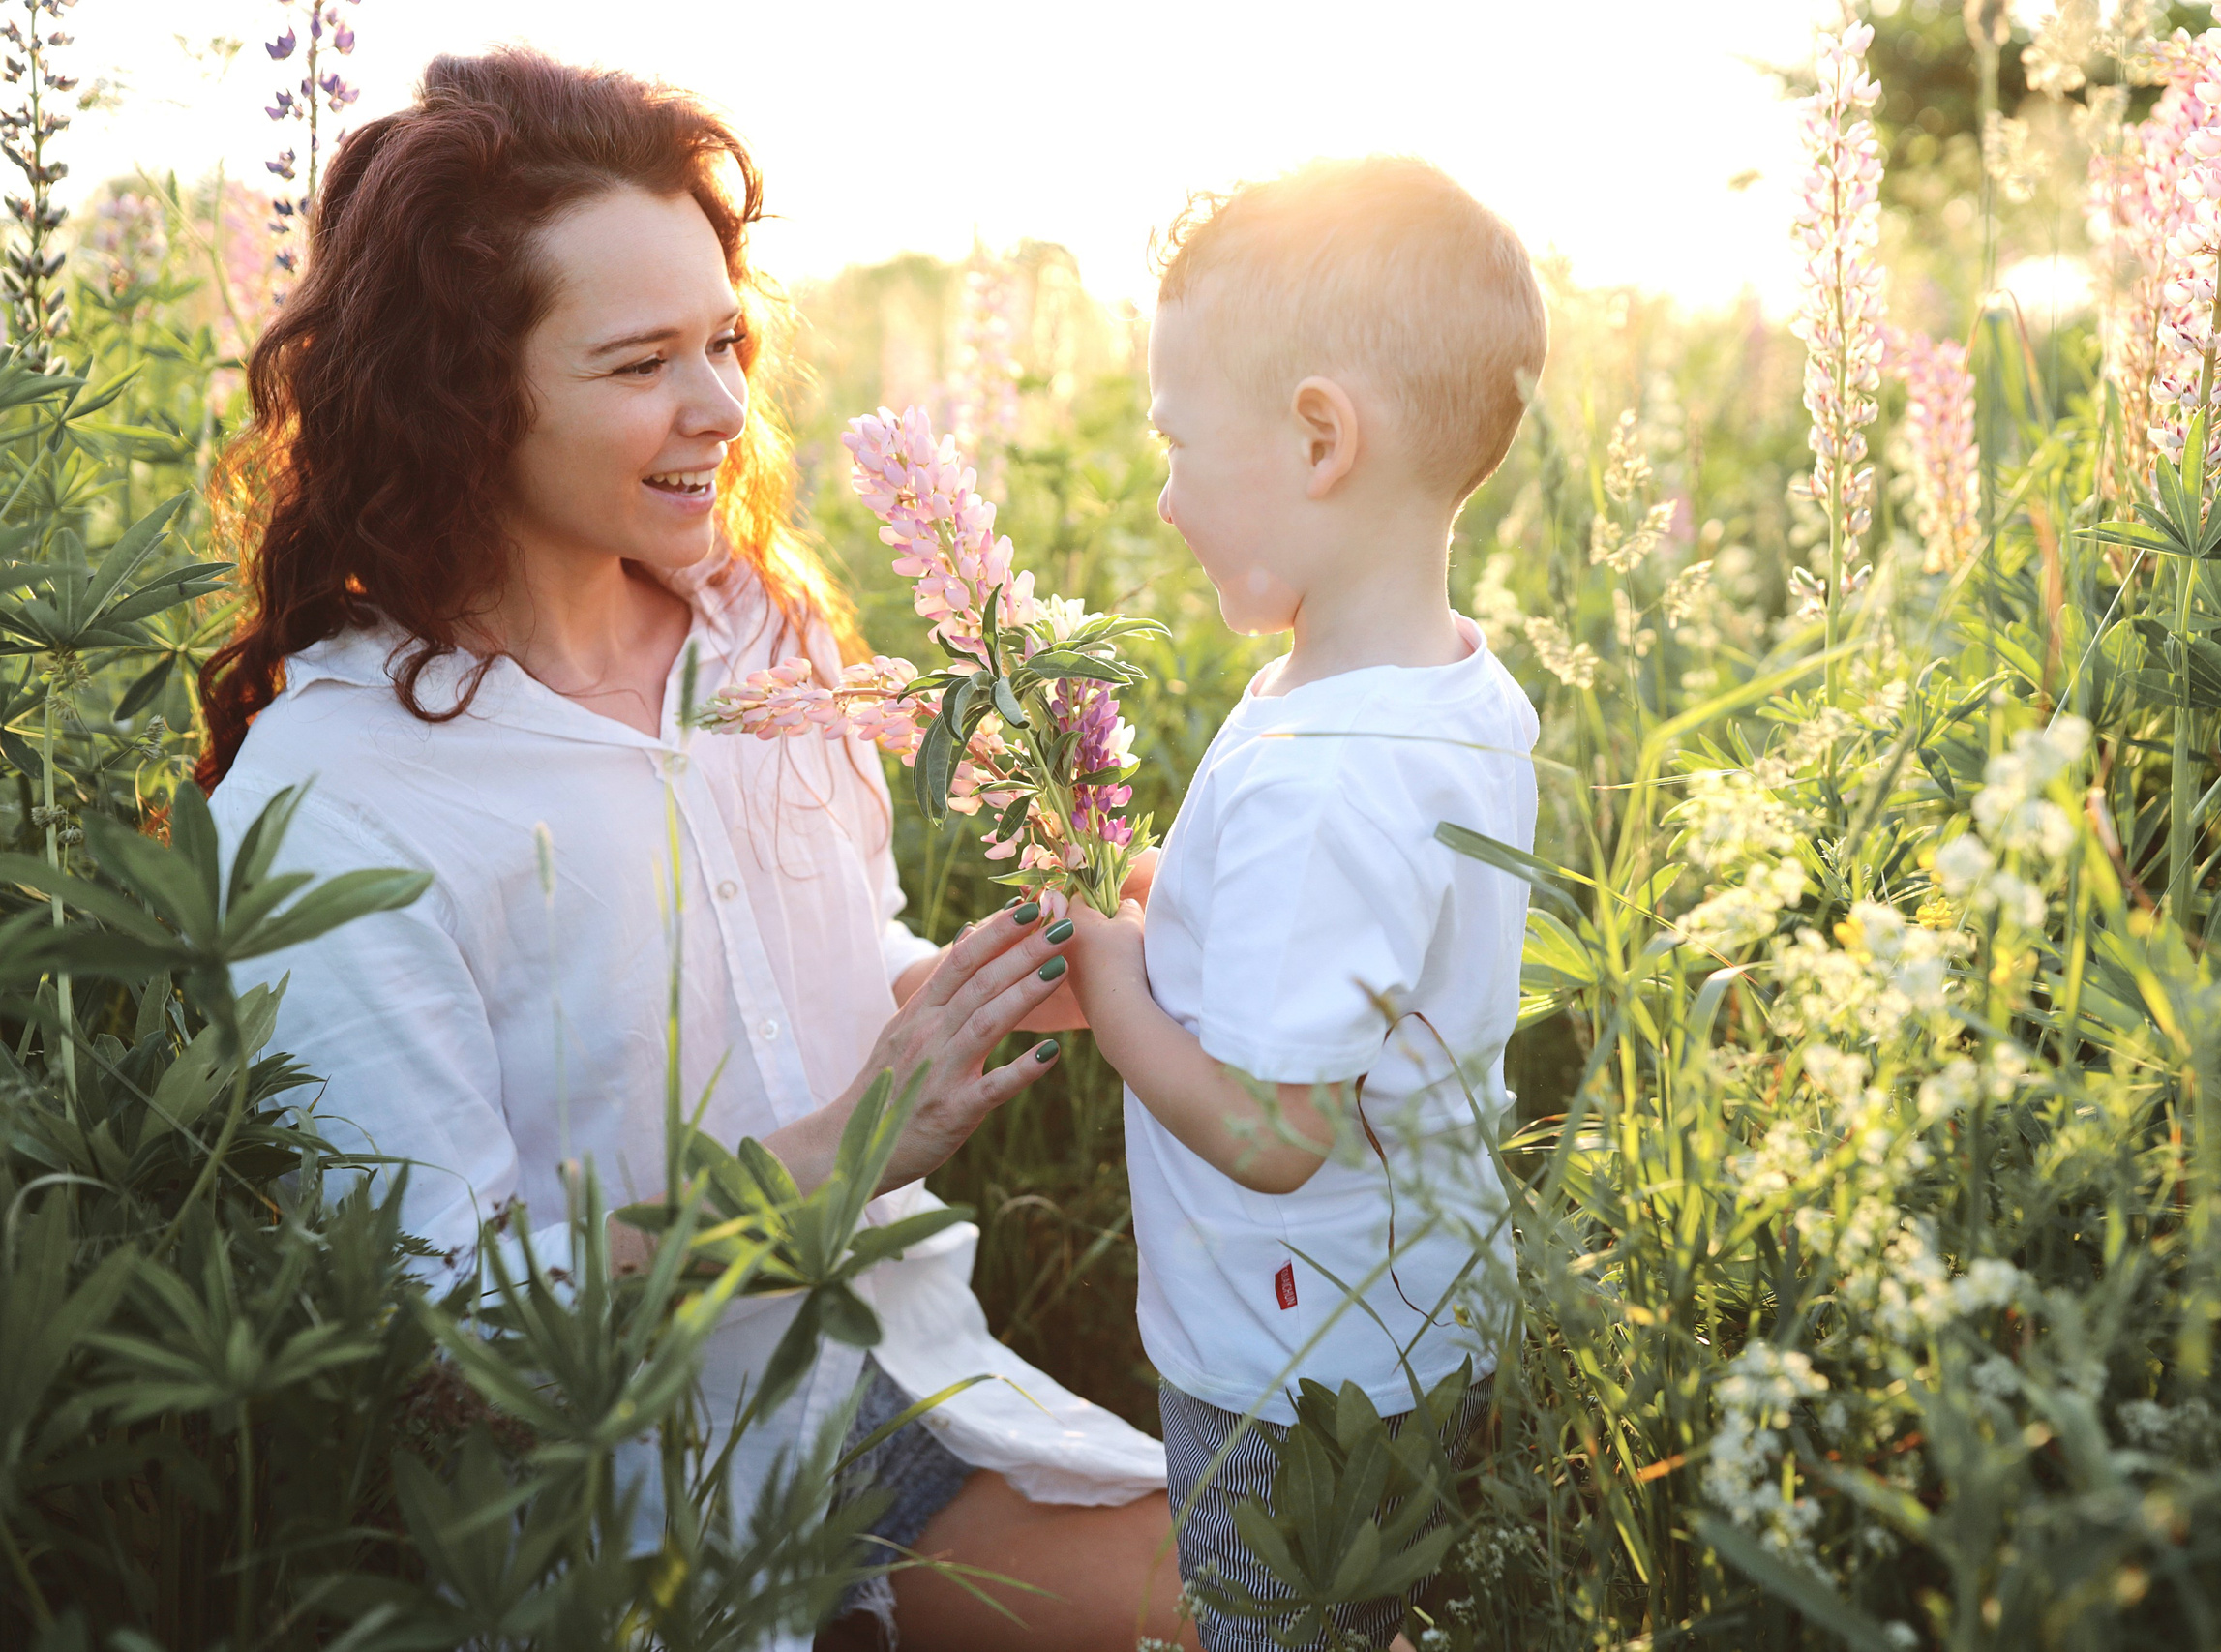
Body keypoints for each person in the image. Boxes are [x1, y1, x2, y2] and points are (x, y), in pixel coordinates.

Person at [198, 50, 1195, 1652]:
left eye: (726, 339)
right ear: (467, 393)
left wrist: (995, 982)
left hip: (899, 1387)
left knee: (1318, 1608)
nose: (723, 408)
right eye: (643, 361)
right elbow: (441, 1356)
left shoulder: (759, 632)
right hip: (642, 1526)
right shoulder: (340, 792)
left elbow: (824, 965)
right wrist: (827, 1159)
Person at [1063, 158, 1547, 1651]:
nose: (1165, 491)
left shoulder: (1319, 773)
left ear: (1318, 436)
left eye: (1180, 442)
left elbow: (1277, 1135)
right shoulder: (1450, 693)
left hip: (1280, 1362)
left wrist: (1114, 982)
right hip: (1409, 1328)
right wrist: (1182, 901)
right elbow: (1370, 954)